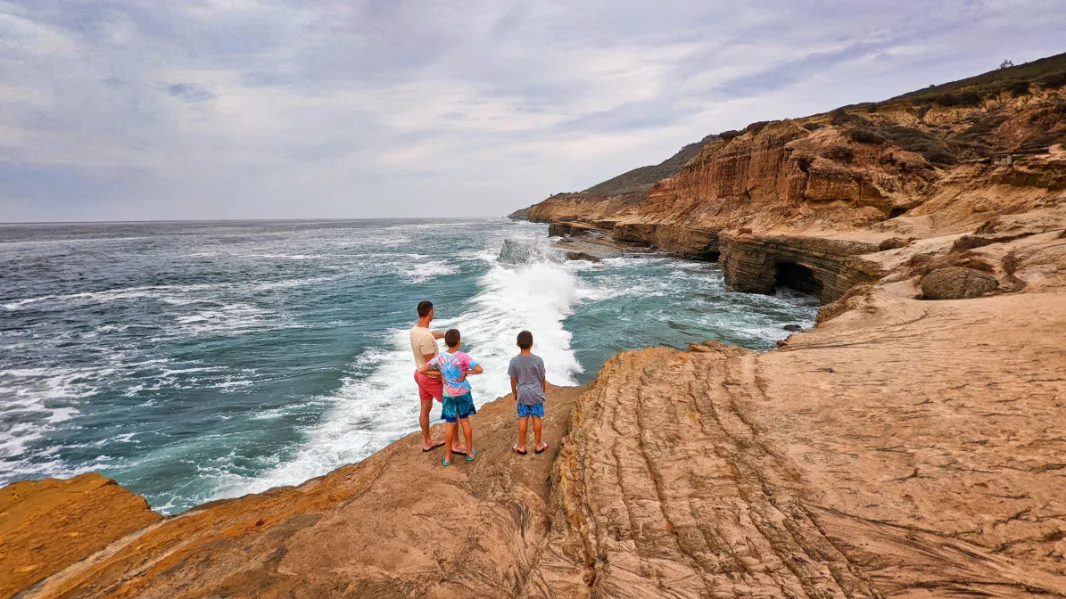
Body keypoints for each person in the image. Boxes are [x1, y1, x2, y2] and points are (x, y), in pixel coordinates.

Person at [419, 328, 482, 466]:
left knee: (449, 424)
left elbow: (423, 370)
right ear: (459, 342)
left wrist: (440, 374)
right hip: (463, 393)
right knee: (465, 422)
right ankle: (470, 453)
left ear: (446, 342)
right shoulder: (464, 357)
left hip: (448, 395)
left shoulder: (440, 357)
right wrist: (466, 373)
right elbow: (479, 369)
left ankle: (447, 458)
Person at [409, 300, 465, 455]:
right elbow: (431, 364)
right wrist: (445, 377)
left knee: (425, 408)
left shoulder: (415, 330)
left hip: (419, 374)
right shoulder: (426, 338)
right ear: (430, 313)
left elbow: (430, 336)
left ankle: (427, 442)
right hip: (430, 378)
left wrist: (444, 335)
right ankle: (455, 444)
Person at [508, 330, 548, 455]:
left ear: (517, 344)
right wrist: (542, 391)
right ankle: (538, 445)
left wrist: (514, 392)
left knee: (523, 418)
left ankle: (522, 446)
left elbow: (513, 379)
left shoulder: (514, 361)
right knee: (536, 417)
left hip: (523, 394)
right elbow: (542, 378)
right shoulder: (538, 360)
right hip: (536, 393)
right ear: (531, 343)